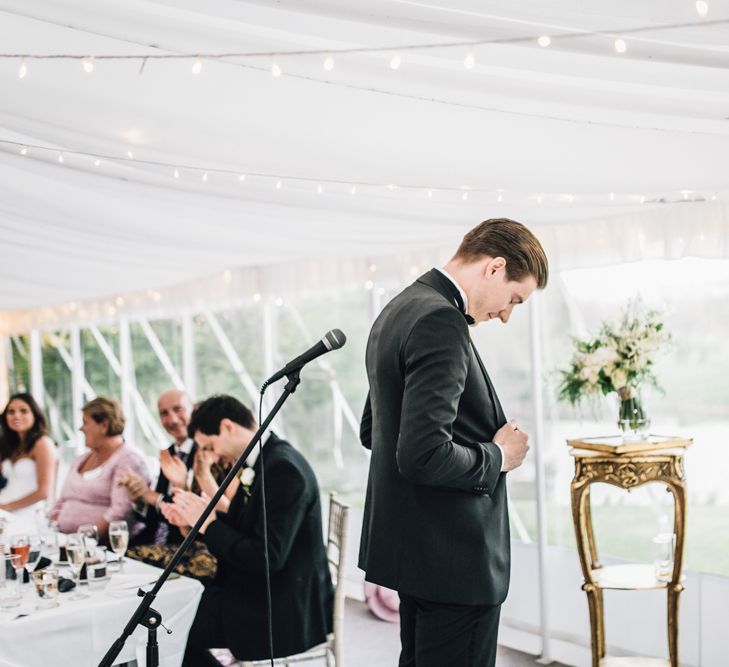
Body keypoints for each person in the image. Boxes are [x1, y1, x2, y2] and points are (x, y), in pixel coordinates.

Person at [359, 218, 549, 667]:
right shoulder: (440, 320)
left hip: (416, 554)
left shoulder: (399, 308)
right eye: (514, 299)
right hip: (454, 561)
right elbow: (423, 454)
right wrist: (500, 456)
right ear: (495, 268)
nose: (506, 315)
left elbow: (374, 430)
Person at [162, 394, 333, 666]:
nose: (214, 455)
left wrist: (208, 523)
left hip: (278, 608)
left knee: (163, 630)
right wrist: (199, 516)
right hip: (252, 589)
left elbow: (266, 557)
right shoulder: (264, 461)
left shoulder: (283, 469)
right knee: (165, 616)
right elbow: (246, 528)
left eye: (211, 445)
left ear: (228, 426)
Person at [121, 389, 231, 582]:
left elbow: (209, 512)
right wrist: (138, 498)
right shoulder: (169, 454)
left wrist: (153, 495)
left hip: (192, 545)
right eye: (164, 413)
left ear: (194, 409)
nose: (172, 419)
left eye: (178, 409)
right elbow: (157, 515)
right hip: (158, 540)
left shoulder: (210, 452)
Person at [51, 397, 150, 542]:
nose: (81, 428)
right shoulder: (81, 459)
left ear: (104, 425)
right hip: (65, 542)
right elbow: (62, 500)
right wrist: (53, 530)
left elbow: (120, 512)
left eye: (85, 422)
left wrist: (84, 540)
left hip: (102, 546)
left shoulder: (128, 460)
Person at [0, 393, 57, 518]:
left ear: (35, 415)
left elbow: (44, 492)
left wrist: (6, 507)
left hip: (29, 512)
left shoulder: (42, 443)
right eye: (11, 412)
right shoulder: (9, 445)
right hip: (4, 509)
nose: (16, 416)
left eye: (23, 411)